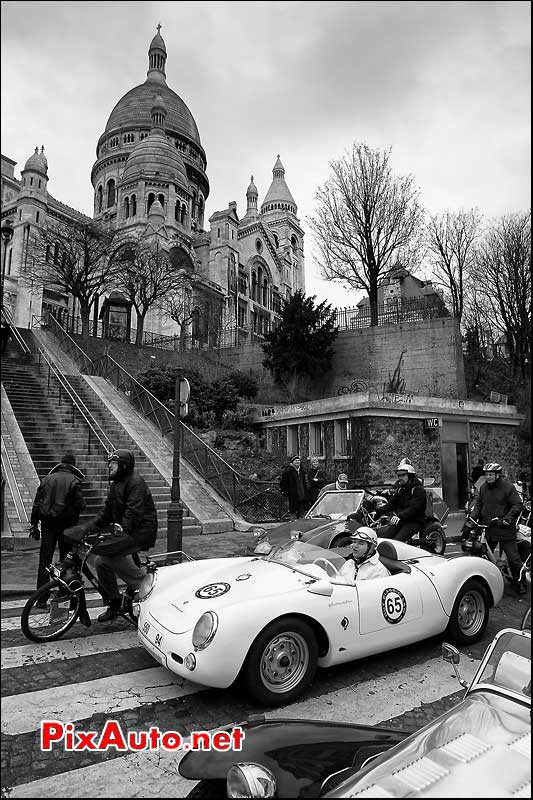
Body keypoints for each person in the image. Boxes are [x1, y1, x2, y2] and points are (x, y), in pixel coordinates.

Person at [85, 449, 158, 621]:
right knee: (100, 562)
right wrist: (87, 528)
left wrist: (122, 529)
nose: (109, 465)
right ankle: (115, 602)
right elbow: (106, 513)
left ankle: (144, 584)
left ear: (123, 466)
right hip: (127, 531)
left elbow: (134, 511)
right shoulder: (116, 485)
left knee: (106, 554)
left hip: (140, 532)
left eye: (113, 463)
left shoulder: (136, 483)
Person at [29, 452, 86, 607]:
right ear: (72, 465)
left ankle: (41, 599)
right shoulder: (75, 481)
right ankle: (64, 594)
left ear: (61, 464)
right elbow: (81, 505)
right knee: (66, 561)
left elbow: (37, 504)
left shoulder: (47, 479)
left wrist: (34, 524)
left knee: (44, 561)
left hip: (47, 525)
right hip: (67, 527)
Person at [470, 462, 525, 596]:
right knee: (481, 557)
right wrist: (471, 520)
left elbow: (517, 505)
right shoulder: (483, 488)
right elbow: (478, 505)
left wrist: (507, 519)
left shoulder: (508, 487)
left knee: (513, 559)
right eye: (486, 475)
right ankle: (483, 584)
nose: (488, 477)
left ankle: (520, 582)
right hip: (489, 528)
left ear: (497, 475)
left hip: (505, 528)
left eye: (490, 475)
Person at [375, 458, 427, 542]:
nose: (400, 478)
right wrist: (378, 512)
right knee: (385, 538)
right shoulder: (400, 489)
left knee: (397, 542)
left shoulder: (418, 489)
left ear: (410, 476)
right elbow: (392, 504)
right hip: (401, 520)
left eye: (403, 475)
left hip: (414, 521)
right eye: (399, 475)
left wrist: (400, 516)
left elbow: (415, 508)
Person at [279, 455, 309, 519]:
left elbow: (305, 482)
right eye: (296, 460)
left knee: (302, 514)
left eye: (298, 460)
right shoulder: (288, 471)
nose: (297, 462)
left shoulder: (303, 471)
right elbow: (283, 483)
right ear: (292, 462)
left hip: (302, 495)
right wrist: (287, 492)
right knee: (293, 513)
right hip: (293, 496)